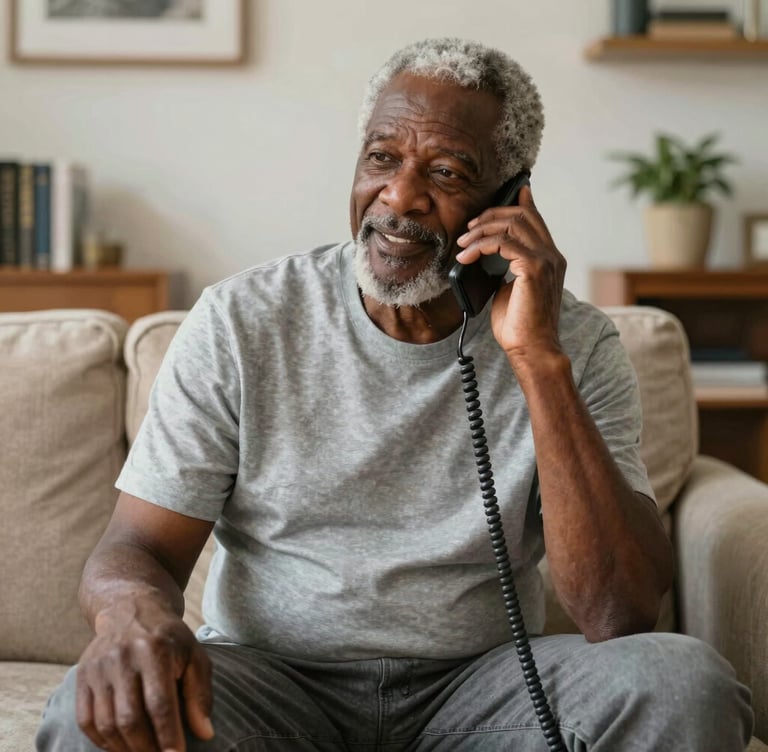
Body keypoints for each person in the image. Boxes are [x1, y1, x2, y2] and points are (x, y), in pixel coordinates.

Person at [37, 38, 752, 752]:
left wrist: (537, 360)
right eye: (382, 158)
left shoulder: (576, 344)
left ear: (511, 198)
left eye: (446, 171)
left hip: (482, 692)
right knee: (89, 711)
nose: (401, 196)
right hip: (272, 690)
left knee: (683, 683)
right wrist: (131, 617)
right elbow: (136, 548)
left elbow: (619, 612)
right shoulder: (243, 319)